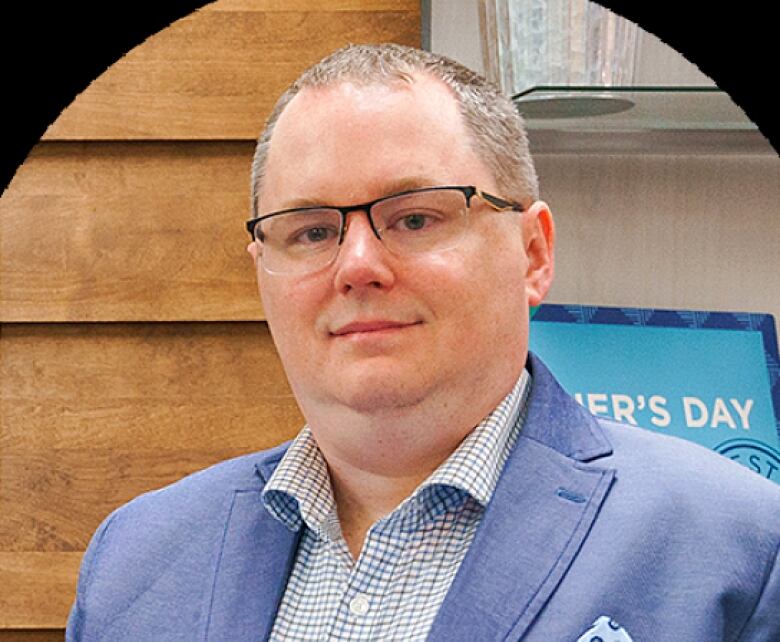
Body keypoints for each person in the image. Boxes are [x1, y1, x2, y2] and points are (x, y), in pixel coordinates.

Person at [66, 43, 779, 642]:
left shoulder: (739, 548)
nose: (357, 267)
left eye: (414, 219)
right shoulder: (135, 561)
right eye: (312, 231)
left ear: (533, 253)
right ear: (263, 273)